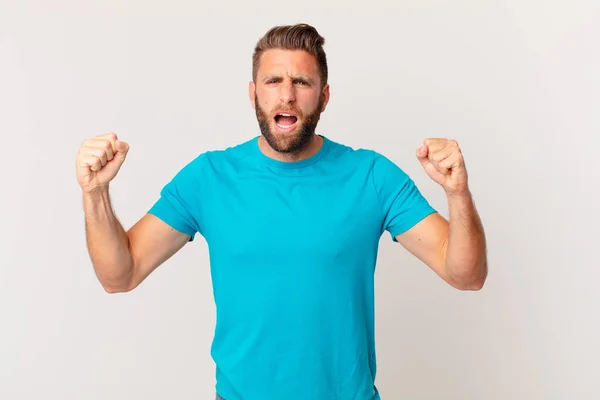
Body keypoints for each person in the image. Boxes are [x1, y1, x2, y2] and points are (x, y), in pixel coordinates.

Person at [76, 23, 487, 400]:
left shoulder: (372, 176)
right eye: (273, 80)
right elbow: (120, 274)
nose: (287, 94)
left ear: (323, 96)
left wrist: (458, 194)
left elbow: (466, 274)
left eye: (302, 82)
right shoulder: (209, 177)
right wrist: (95, 192)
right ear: (254, 92)